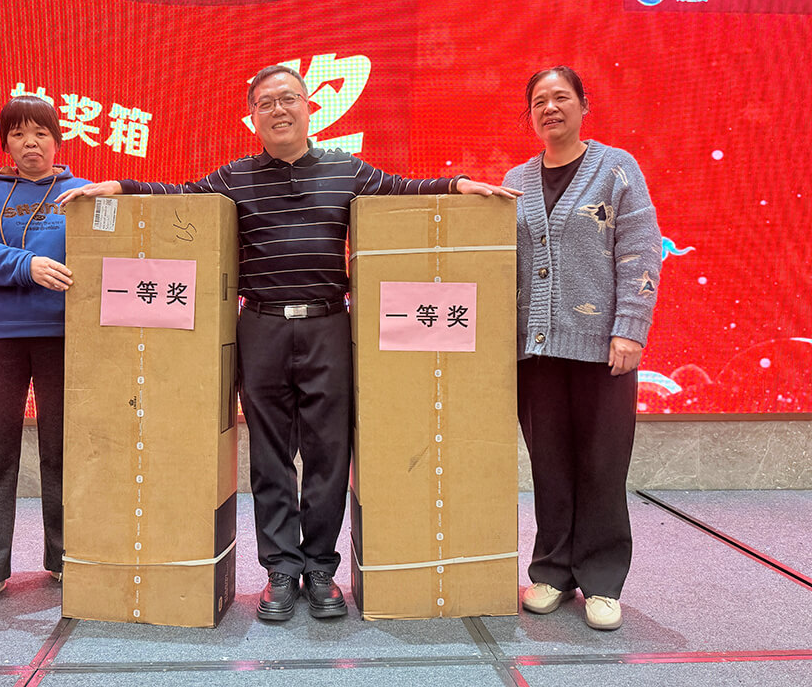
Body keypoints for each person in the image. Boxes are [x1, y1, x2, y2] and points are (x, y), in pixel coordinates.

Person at [57, 64, 520, 621]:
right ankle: (280, 569)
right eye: (266, 103)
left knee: (329, 452)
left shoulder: (346, 169)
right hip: (262, 327)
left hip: (329, 327)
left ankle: (320, 568)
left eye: (288, 99)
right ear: (252, 116)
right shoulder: (235, 178)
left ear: (308, 106)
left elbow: (402, 190)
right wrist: (121, 187)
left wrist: (458, 184)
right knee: (271, 453)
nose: (278, 110)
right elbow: (182, 198)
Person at [503, 66, 661, 630]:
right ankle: (551, 571)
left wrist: (630, 327)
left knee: (602, 464)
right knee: (549, 464)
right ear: (530, 114)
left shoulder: (617, 168)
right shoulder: (516, 179)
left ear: (583, 105)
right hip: (536, 352)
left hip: (602, 349)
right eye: (539, 101)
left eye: (561, 97)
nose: (550, 108)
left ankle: (601, 580)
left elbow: (641, 250)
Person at [0, 96, 90, 613]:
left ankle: (66, 556)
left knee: (64, 450)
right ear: (6, 143)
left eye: (40, 133)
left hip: (65, 335)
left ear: (58, 139)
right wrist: (25, 265)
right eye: (17, 134)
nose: (30, 143)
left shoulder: (81, 194)